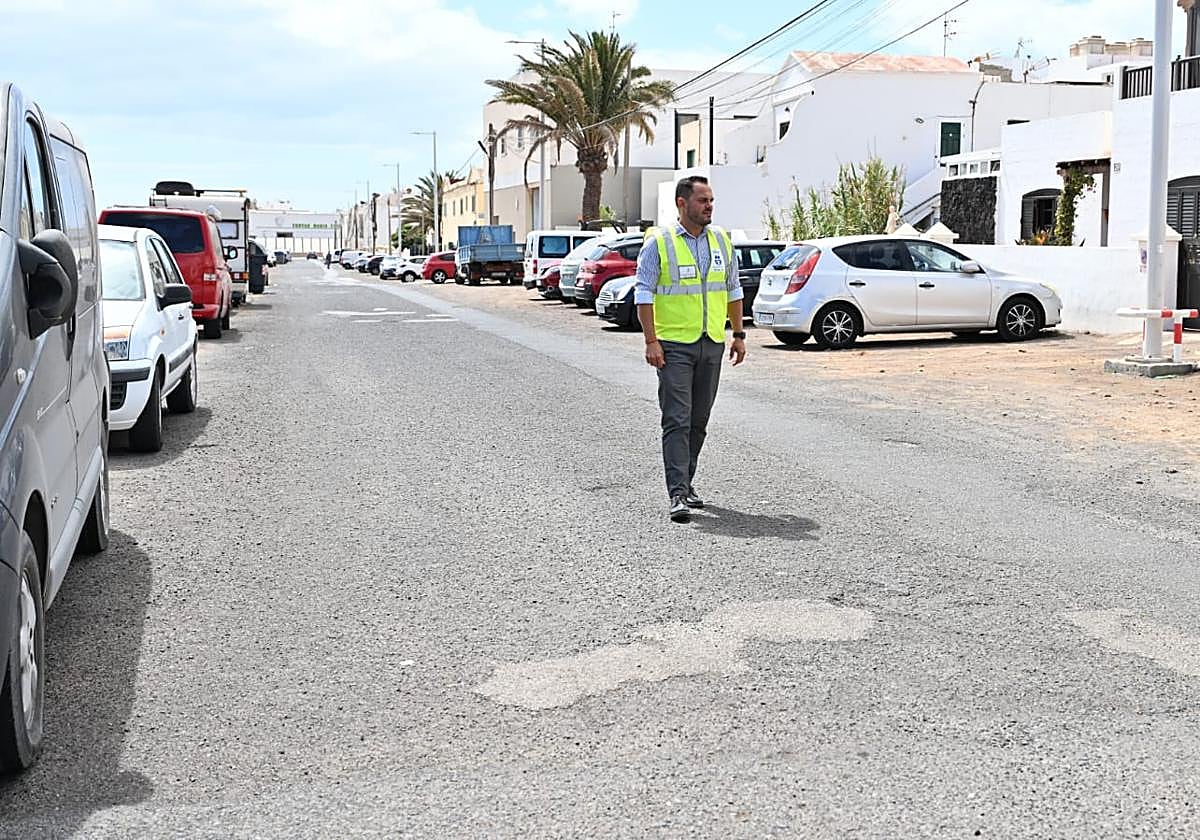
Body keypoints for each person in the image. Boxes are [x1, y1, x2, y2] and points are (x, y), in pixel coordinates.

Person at [635, 175, 746, 523]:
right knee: (677, 419)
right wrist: (651, 340)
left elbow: (733, 289)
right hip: (674, 348)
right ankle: (678, 493)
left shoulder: (722, 241)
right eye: (702, 200)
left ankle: (687, 481)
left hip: (711, 343)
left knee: (699, 420)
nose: (709, 206)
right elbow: (643, 293)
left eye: (711, 200)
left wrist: (738, 334)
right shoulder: (660, 242)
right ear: (682, 203)